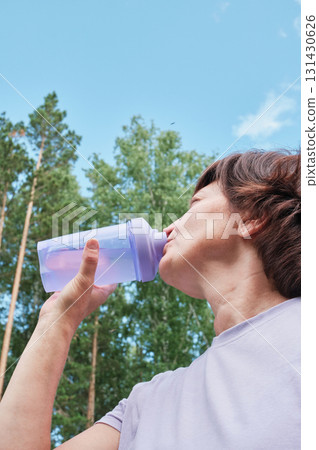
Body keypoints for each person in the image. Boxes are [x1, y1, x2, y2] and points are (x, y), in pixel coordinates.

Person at [0, 150, 300, 449]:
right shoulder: (145, 405)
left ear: (250, 219)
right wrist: (58, 319)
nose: (169, 228)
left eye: (195, 204)